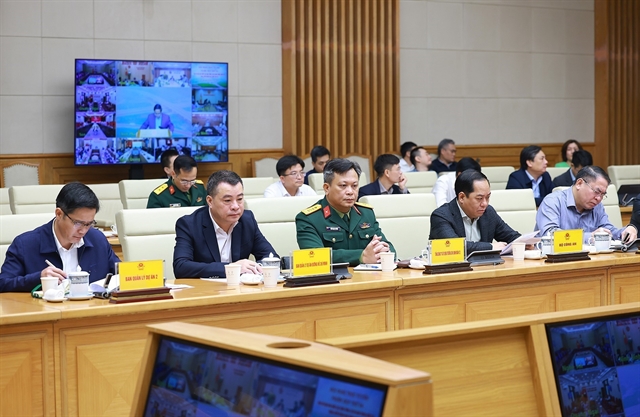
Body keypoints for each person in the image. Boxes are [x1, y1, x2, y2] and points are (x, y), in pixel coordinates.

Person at [0, 182, 120, 292]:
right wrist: (38, 278)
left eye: (89, 224)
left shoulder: (97, 239)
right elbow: (3, 283)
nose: (83, 231)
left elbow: (121, 273)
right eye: (77, 223)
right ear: (59, 214)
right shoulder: (25, 244)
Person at [173, 170, 278, 278]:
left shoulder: (247, 220)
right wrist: (232, 268)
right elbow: (181, 267)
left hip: (240, 287)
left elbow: (271, 257)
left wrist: (256, 268)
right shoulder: (189, 225)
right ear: (210, 201)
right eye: (227, 200)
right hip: (205, 287)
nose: (235, 206)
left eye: (239, 199)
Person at [295, 158, 395, 266]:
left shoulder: (366, 213)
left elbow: (388, 248)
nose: (350, 192)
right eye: (343, 186)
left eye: (354, 186)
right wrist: (361, 256)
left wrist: (384, 252)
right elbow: (314, 256)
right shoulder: (309, 218)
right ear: (327, 188)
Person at [535, 166, 638, 245]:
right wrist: (589, 237)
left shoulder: (596, 205)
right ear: (579, 183)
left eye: (603, 194)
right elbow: (550, 235)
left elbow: (608, 230)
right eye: (596, 191)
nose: (599, 198)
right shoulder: (553, 202)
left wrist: (626, 231)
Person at [429, 170, 521, 253]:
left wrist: (524, 242)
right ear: (462, 197)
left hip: (484, 265)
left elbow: (511, 236)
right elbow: (455, 246)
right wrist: (491, 247)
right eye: (479, 198)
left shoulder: (488, 212)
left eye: (488, 197)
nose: (485, 203)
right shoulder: (441, 216)